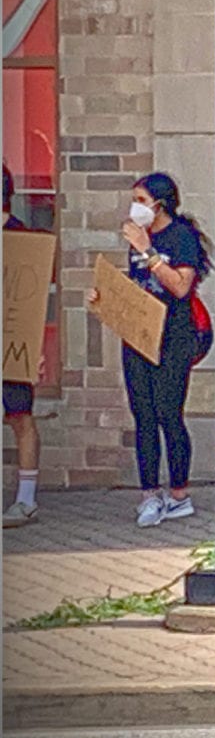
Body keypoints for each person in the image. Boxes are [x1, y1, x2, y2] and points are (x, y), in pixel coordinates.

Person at [86, 173, 211, 528]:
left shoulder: (180, 237)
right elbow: (138, 285)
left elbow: (181, 287)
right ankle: (149, 494)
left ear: (160, 204)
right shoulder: (138, 240)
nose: (136, 207)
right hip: (139, 335)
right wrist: (106, 297)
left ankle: (179, 494)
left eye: (142, 200)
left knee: (168, 413)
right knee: (142, 415)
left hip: (174, 336)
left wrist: (148, 250)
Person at [3, 167, 45, 528]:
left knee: (19, 416)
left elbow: (30, 301)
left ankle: (26, 500)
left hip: (10, 343)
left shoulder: (19, 237)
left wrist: (33, 345)